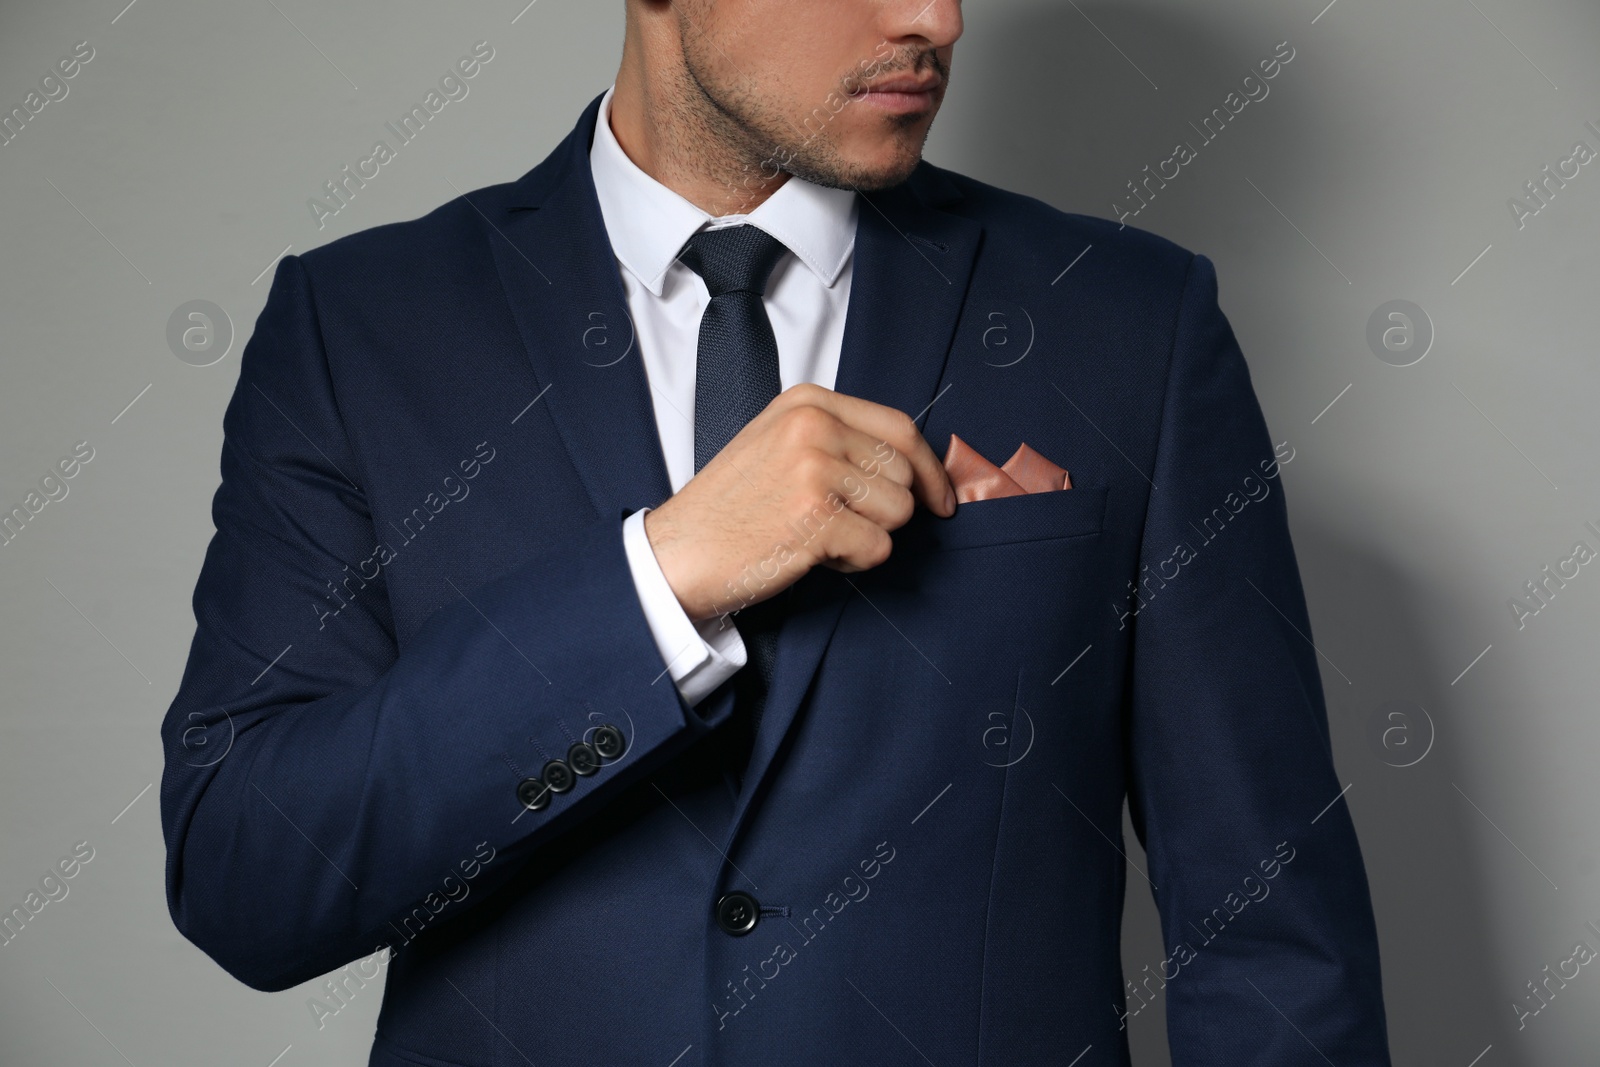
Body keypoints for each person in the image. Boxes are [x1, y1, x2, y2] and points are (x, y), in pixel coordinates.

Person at [160, 1, 1392, 1063]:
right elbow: (247, 877)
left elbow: (1268, 923)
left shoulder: (1128, 322)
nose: (938, 20)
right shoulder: (358, 326)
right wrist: (661, 577)